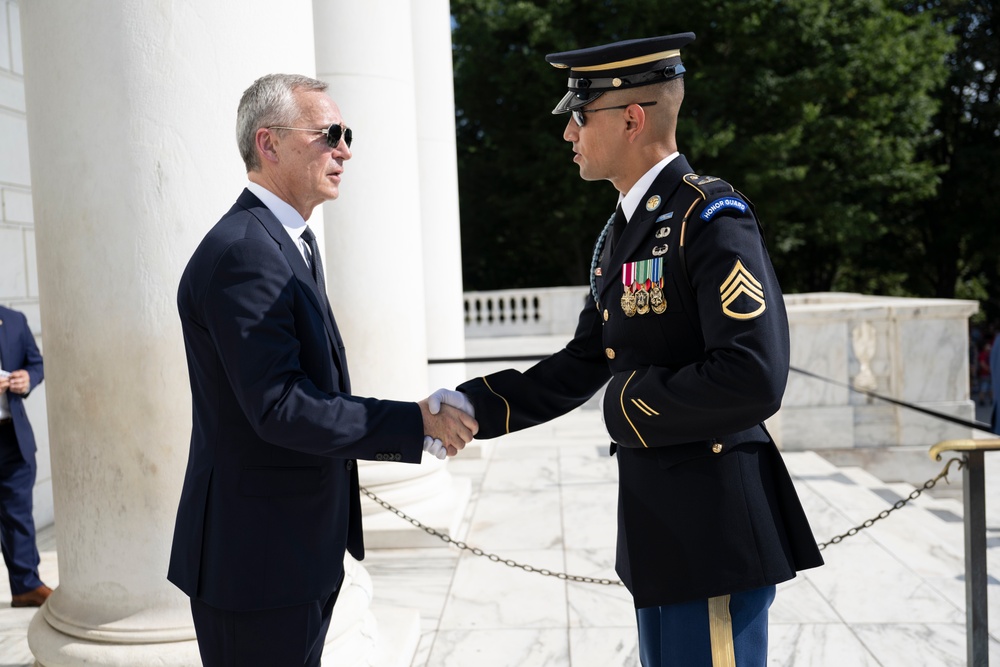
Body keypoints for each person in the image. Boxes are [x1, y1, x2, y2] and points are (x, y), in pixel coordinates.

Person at [452, 34, 824, 665]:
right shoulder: (625, 230)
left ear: (631, 117)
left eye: (578, 115)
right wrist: (467, 406)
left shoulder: (708, 216)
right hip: (665, 530)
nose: (569, 133)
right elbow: (584, 360)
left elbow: (753, 375)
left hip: (714, 534)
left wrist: (629, 404)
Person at [167, 73, 477, 667]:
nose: (345, 149)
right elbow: (280, 405)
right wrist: (414, 423)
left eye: (346, 134)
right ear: (269, 144)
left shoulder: (285, 242)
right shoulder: (246, 254)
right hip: (257, 565)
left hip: (290, 552)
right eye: (328, 134)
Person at [0, 305, 50, 608]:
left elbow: (37, 363)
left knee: (19, 515)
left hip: (12, 437)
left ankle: (26, 587)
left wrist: (27, 379)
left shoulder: (15, 320)